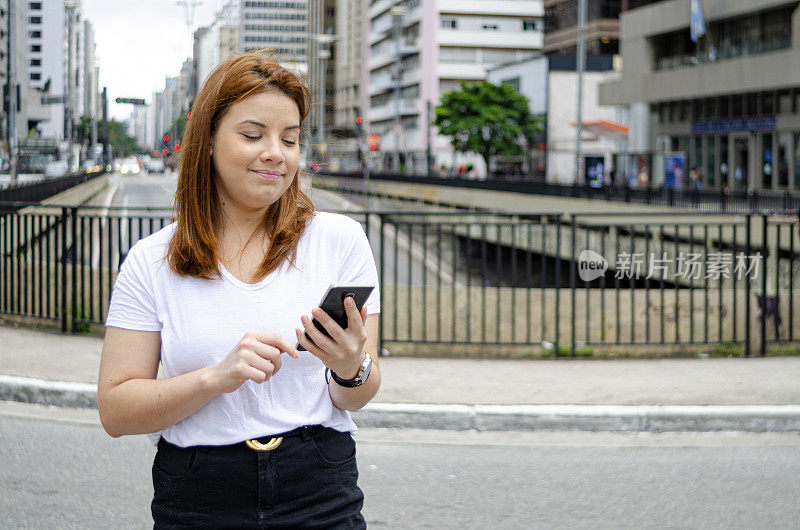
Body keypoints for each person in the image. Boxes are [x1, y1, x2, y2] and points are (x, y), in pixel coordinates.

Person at [98, 52, 381, 528]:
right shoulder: (151, 261)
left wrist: (352, 366)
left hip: (319, 485)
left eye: (289, 139)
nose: (276, 152)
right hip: (198, 490)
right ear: (207, 140)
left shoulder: (340, 240)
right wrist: (216, 378)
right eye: (253, 135)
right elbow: (116, 411)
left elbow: (358, 394)